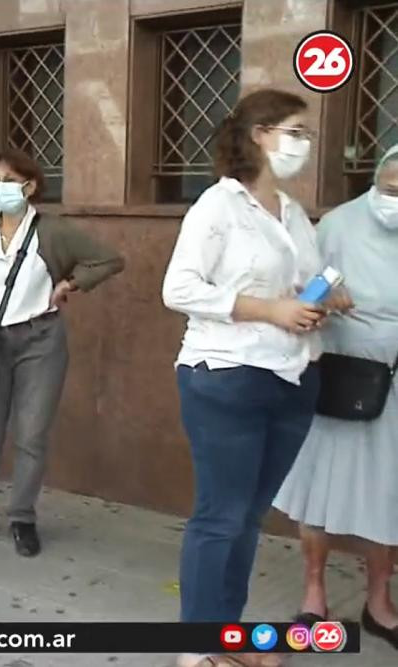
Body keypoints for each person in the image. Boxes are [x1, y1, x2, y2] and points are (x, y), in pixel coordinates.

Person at [162, 89, 353, 667]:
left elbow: (303, 282)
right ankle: (195, 651)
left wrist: (329, 297)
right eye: (295, 131)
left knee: (247, 516)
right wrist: (270, 311)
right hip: (226, 377)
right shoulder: (217, 208)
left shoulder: (292, 213)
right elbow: (180, 289)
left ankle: (227, 640)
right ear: (259, 135)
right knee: (220, 517)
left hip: (293, 376)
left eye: (306, 133)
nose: (304, 143)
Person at [0, 147, 123, 558]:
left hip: (39, 340)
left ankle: (22, 516)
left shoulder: (51, 230)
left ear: (30, 185)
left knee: (31, 434)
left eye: (10, 180)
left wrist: (71, 283)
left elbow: (109, 259)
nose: (1, 188)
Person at [273, 144, 398, 650]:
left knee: (388, 496)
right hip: (343, 377)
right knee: (319, 494)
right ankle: (314, 592)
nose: (396, 199)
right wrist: (327, 294)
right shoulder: (338, 225)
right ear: (374, 182)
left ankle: (378, 601)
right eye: (391, 189)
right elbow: (301, 287)